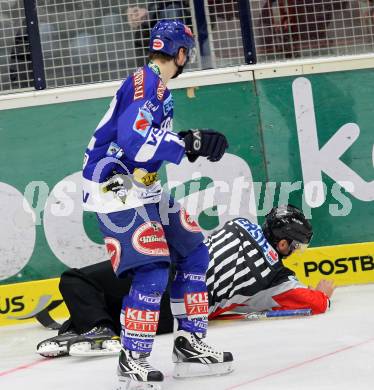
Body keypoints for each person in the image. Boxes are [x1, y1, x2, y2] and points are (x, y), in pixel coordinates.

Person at [80, 19, 232, 389]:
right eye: (187, 54)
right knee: (151, 269)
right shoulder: (146, 85)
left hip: (139, 187)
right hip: (113, 188)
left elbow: (148, 141)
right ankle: (133, 359)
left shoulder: (156, 85)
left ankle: (190, 343)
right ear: (181, 53)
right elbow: (135, 143)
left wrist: (188, 142)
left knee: (193, 249)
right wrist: (187, 144)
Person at [37, 205, 334, 354]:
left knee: (76, 280)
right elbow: (312, 303)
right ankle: (98, 329)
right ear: (283, 244)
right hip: (179, 314)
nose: (296, 252)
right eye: (296, 246)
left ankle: (89, 327)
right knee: (121, 313)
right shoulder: (277, 278)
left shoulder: (240, 225)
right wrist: (323, 294)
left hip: (160, 272)